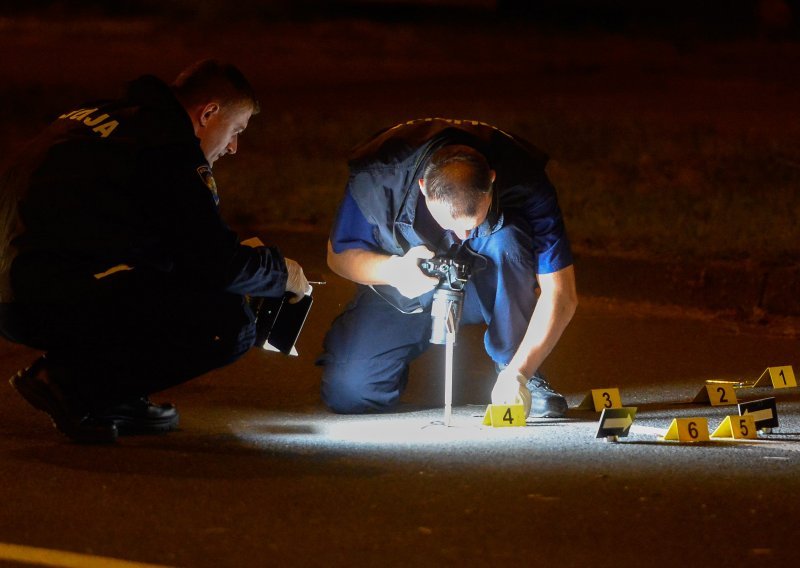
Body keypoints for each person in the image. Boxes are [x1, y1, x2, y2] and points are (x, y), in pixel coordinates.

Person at [0, 59, 310, 443]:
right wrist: (280, 273)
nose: (233, 147)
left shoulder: (108, 118)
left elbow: (153, 236)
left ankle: (113, 394)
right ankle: (69, 383)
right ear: (209, 112)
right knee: (228, 323)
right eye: (235, 130)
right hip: (45, 297)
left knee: (170, 278)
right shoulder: (167, 147)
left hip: (20, 288)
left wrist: (220, 256)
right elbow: (217, 267)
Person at [318, 118, 577, 418]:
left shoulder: (525, 180)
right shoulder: (379, 177)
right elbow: (338, 255)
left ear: (492, 180)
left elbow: (562, 294)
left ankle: (512, 363)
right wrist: (395, 270)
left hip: (484, 283)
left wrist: (521, 370)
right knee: (350, 393)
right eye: (448, 223)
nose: (462, 235)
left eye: (472, 224)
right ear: (423, 187)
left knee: (507, 238)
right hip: (404, 286)